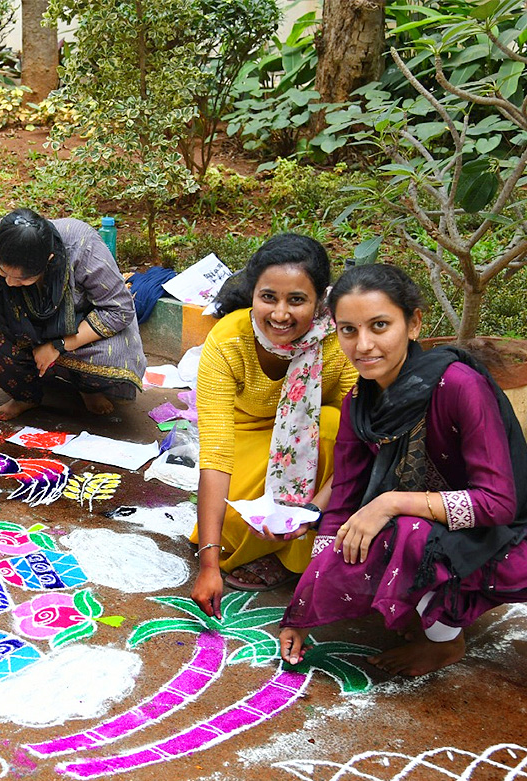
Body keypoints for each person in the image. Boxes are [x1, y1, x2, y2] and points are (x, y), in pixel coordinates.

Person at [280, 264, 527, 677]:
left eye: (380, 326)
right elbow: (341, 506)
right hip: (441, 528)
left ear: (413, 324)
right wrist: (300, 610)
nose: (363, 345)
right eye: (348, 330)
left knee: (405, 529)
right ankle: (429, 602)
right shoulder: (361, 400)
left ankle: (445, 643)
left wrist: (392, 502)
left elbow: (500, 504)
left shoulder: (459, 386)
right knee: (369, 525)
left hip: (506, 539)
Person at [191, 234, 358, 614]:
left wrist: (311, 511)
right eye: (269, 297)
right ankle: (266, 539)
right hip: (246, 443)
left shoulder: (340, 340)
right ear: (253, 294)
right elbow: (216, 453)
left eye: (296, 300)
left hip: (319, 455)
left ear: (319, 302)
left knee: (333, 424)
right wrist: (208, 564)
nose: (280, 314)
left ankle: (290, 555)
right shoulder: (228, 340)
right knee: (233, 520)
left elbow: (361, 436)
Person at [0, 208, 146, 421]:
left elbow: (119, 309)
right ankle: (26, 396)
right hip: (27, 331)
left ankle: (88, 388)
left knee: (114, 353)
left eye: (22, 279)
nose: (9, 282)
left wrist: (59, 345)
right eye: (3, 272)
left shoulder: (82, 246)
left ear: (49, 260)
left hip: (80, 331)